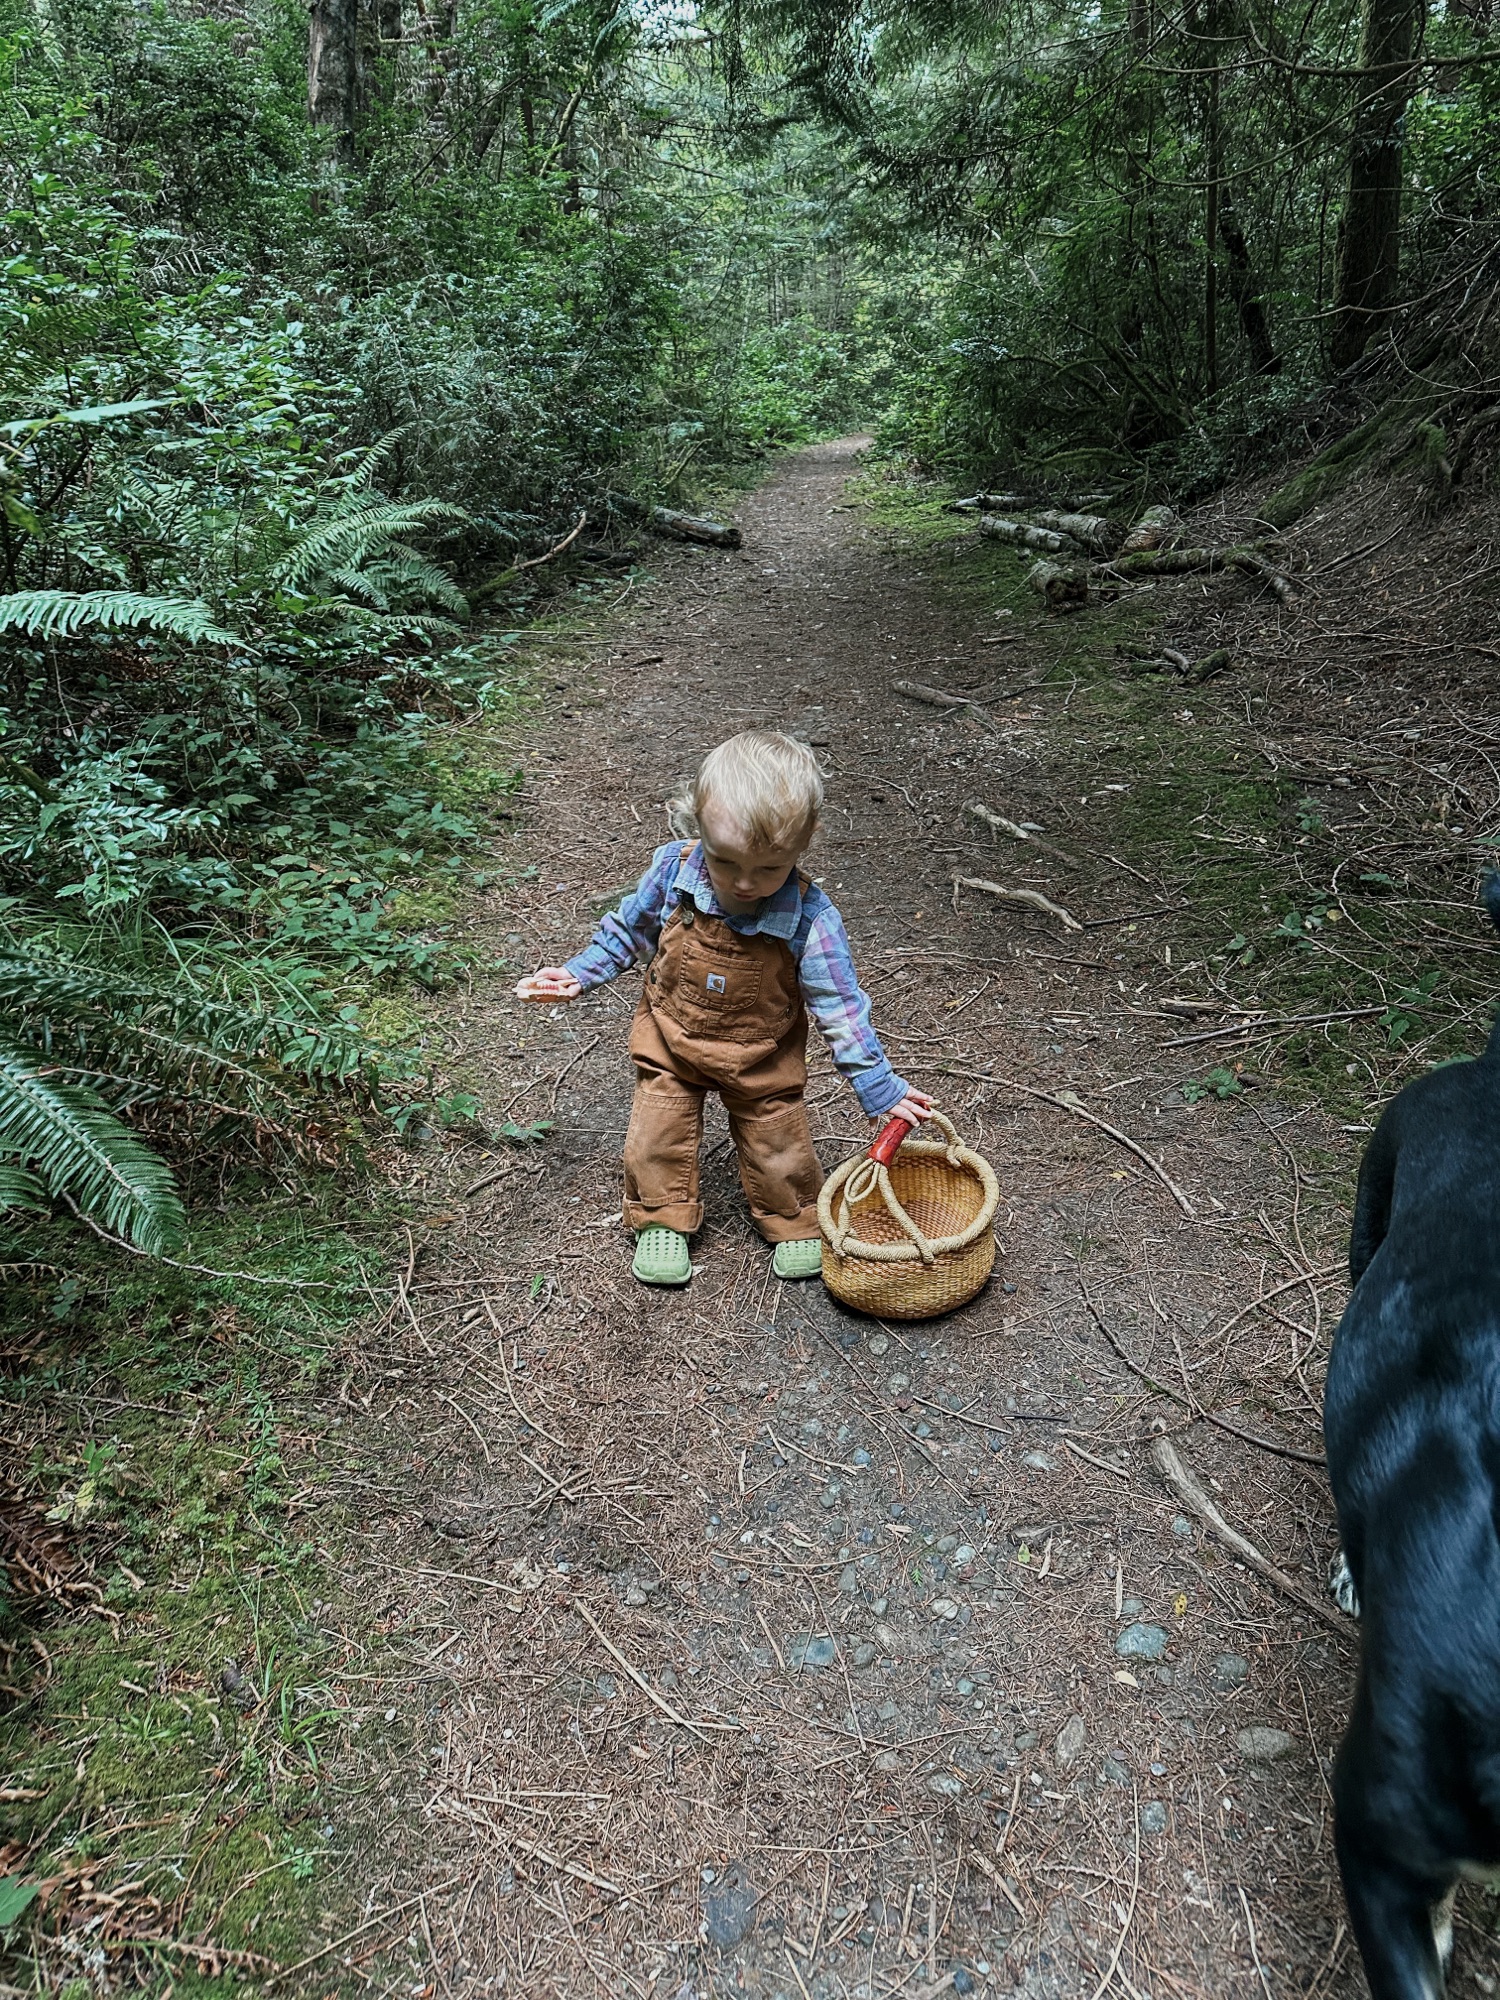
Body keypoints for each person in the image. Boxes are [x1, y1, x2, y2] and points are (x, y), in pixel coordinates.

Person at [516, 729, 932, 1286]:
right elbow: (630, 933)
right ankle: (662, 1216)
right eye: (725, 860)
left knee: (778, 1137)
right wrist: (578, 973)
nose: (744, 882)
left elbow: (842, 1009)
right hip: (671, 1036)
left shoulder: (811, 919)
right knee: (656, 1130)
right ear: (698, 827)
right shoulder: (673, 872)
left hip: (761, 1054)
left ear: (804, 843)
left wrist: (880, 1089)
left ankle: (792, 1217)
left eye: (769, 868)